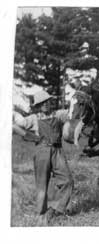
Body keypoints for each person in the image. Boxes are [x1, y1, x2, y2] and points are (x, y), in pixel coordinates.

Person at [13, 90, 73, 225]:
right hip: (42, 151)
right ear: (38, 105)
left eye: (47, 102)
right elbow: (17, 125)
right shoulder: (34, 118)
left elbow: (72, 113)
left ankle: (57, 210)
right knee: (42, 184)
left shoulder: (58, 115)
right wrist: (31, 137)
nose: (45, 105)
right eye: (42, 103)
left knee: (68, 181)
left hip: (58, 151)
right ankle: (41, 215)